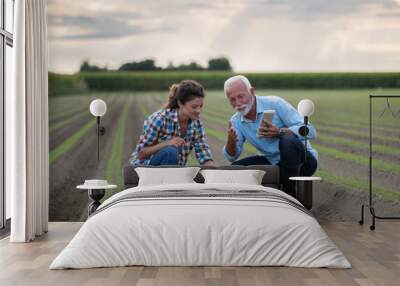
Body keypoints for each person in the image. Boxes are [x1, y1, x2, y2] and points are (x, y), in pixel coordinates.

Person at [223, 75, 318, 197]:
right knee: (235, 168)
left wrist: (279, 132)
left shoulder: (275, 103)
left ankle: (289, 193)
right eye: (232, 99)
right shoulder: (236, 121)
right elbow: (231, 156)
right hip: (275, 164)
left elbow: (310, 131)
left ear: (252, 92)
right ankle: (268, 194)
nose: (238, 103)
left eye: (240, 96)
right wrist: (230, 142)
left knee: (287, 139)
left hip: (303, 162)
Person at [130, 80, 215, 167]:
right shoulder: (160, 119)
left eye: (201, 106)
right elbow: (141, 154)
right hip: (143, 169)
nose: (198, 111)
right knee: (170, 152)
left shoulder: (196, 124)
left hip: (172, 169)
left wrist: (213, 170)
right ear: (180, 103)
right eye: (194, 107)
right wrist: (167, 143)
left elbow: (204, 154)